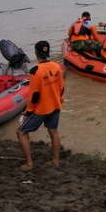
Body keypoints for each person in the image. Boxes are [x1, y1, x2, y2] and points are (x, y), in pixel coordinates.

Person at [17, 41, 64, 171]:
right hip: (55, 105)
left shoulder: (35, 71)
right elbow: (62, 88)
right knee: (53, 131)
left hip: (41, 109)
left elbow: (34, 96)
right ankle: (56, 161)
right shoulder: (57, 67)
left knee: (21, 132)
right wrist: (59, 101)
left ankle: (29, 164)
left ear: (36, 53)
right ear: (47, 52)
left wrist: (27, 112)